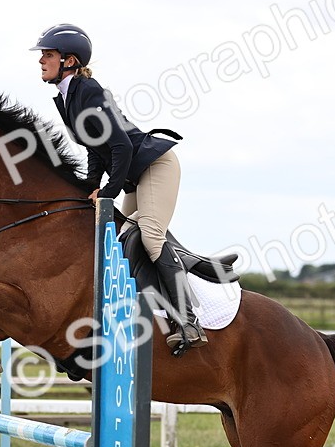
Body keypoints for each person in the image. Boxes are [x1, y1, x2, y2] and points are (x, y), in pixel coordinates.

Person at [31, 23, 207, 356]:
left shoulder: (88, 90)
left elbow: (122, 147)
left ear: (69, 60)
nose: (42, 60)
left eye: (48, 55)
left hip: (156, 166)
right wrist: (90, 185)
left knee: (151, 237)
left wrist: (108, 191)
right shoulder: (68, 97)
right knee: (117, 239)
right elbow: (95, 147)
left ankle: (188, 320)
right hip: (136, 175)